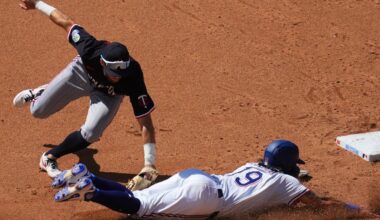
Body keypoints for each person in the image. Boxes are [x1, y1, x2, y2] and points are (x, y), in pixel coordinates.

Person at [14, 0, 158, 190]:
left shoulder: (133, 76)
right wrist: (37, 4)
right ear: (103, 63)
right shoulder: (89, 48)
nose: (118, 78)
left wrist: (150, 164)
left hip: (109, 95)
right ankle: (41, 92)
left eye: (121, 74)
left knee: (92, 132)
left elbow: (145, 122)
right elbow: (66, 22)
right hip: (81, 74)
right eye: (115, 74)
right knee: (38, 111)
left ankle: (50, 157)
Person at [50, 140, 377, 219]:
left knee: (139, 198)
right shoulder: (290, 185)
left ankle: (87, 175)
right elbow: (319, 205)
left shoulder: (256, 165)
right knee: (139, 209)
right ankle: (91, 191)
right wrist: (355, 210)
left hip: (196, 175)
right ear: (291, 166)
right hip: (206, 199)